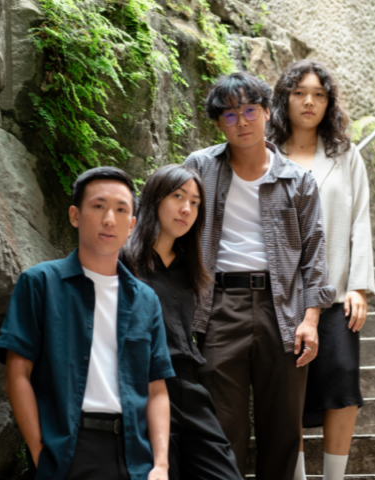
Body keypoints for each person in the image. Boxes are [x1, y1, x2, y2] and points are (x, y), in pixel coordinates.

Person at [183, 71, 336, 480]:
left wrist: (311, 318)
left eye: (250, 110)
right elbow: (174, 230)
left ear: (267, 113)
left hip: (282, 308)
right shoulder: (199, 168)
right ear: (218, 124)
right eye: (230, 116)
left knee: (284, 427)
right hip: (218, 307)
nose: (242, 122)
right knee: (221, 425)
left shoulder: (298, 179)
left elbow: (314, 253)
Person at [0, 166, 175, 480]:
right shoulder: (40, 283)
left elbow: (156, 388)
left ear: (132, 225)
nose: (109, 219)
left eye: (121, 210)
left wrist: (160, 465)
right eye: (98, 206)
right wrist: (41, 453)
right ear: (75, 215)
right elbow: (17, 373)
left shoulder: (145, 299)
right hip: (68, 449)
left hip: (134, 455)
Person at [268, 60, 375, 480]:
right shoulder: (266, 153)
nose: (309, 101)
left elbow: (360, 220)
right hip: (279, 296)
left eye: (318, 94)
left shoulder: (345, 156)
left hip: (333, 294)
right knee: (287, 393)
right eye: (299, 93)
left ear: (329, 102)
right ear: (285, 99)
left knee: (343, 385)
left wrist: (359, 288)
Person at [121, 164, 243, 480]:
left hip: (189, 385)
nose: (186, 208)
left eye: (195, 202)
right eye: (178, 196)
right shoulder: (124, 262)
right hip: (145, 384)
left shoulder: (190, 270)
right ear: (154, 199)